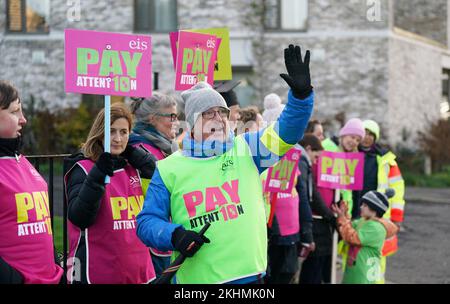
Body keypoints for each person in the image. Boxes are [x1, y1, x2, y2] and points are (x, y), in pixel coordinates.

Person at [136, 44, 315, 284]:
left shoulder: (248, 148)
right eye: (208, 113)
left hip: (250, 279)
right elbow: (146, 223)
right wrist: (175, 235)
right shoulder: (169, 168)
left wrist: (300, 99)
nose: (218, 119)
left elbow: (288, 133)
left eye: (221, 111)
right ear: (192, 123)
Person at [64, 103, 157, 284]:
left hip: (139, 272)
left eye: (123, 132)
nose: (117, 138)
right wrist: (97, 176)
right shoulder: (83, 168)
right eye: (111, 131)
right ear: (100, 133)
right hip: (97, 271)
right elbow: (79, 217)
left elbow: (163, 185)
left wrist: (142, 159)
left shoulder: (134, 166)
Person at [0, 80, 63, 284]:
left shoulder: (22, 161)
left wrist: (55, 264)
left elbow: (41, 225)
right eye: (14, 111)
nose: (23, 119)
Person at [128, 93, 180, 278]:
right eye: (171, 116)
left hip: (164, 235)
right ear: (153, 118)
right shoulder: (141, 150)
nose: (176, 121)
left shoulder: (162, 146)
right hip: (151, 241)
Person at [353, 119, 406, 283]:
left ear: (376, 138)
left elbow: (398, 191)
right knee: (353, 257)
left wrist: (397, 218)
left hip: (377, 218)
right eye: (364, 133)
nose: (367, 137)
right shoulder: (348, 155)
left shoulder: (387, 161)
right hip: (355, 213)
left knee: (376, 258)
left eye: (371, 134)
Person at [332, 189, 398, 284]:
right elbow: (350, 226)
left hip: (363, 274)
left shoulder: (375, 227)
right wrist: (344, 214)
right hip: (355, 271)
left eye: (365, 205)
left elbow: (352, 237)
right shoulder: (364, 221)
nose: (361, 207)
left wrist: (342, 218)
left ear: (374, 210)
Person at [297, 134, 336, 284]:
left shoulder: (304, 162)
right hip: (312, 221)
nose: (317, 160)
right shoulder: (302, 162)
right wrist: (330, 216)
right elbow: (307, 196)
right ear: (308, 149)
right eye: (316, 156)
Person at [321, 118, 366, 217]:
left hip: (342, 212)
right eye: (352, 137)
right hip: (324, 209)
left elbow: (348, 188)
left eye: (358, 140)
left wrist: (347, 212)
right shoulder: (327, 146)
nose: (354, 142)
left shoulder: (353, 157)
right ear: (344, 134)